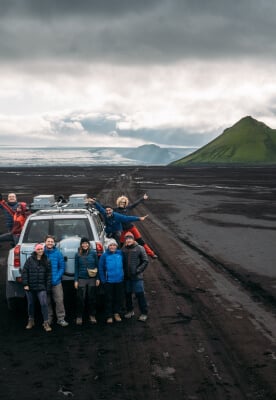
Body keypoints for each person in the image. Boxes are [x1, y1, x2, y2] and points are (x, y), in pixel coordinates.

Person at [114, 194, 157, 259]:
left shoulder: (128, 208)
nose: (123, 203)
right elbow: (104, 208)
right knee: (120, 244)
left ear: (126, 203)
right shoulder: (115, 210)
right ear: (119, 202)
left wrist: (143, 198)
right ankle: (115, 256)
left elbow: (135, 204)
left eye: (124, 202)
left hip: (132, 228)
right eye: (121, 202)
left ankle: (151, 254)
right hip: (123, 230)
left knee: (140, 241)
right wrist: (95, 203)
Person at [21, 243, 52, 332]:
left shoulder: (47, 260)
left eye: (41, 249)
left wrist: (47, 287)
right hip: (30, 287)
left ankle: (46, 322)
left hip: (41, 287)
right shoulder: (30, 260)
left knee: (44, 304)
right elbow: (24, 272)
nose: (40, 251)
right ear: (35, 250)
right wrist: (25, 284)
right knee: (30, 304)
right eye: (38, 249)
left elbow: (49, 275)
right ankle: (31, 320)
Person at [121, 231, 149, 322]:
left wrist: (138, 270)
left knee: (140, 294)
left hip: (137, 277)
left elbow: (145, 261)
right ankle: (130, 311)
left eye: (130, 238)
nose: (128, 240)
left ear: (133, 239)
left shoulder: (139, 248)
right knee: (127, 294)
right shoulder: (123, 249)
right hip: (127, 277)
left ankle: (144, 313)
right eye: (127, 239)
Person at [44, 235, 69, 327]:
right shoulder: (41, 253)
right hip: (44, 282)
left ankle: (61, 319)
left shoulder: (58, 253)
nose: (50, 243)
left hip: (56, 282)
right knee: (47, 302)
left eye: (51, 241)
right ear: (45, 242)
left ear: (54, 243)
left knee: (59, 301)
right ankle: (49, 319)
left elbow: (62, 267)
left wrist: (56, 278)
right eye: (48, 241)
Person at [74, 237, 100, 325]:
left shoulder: (93, 253)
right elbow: (76, 268)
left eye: (86, 243)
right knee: (80, 298)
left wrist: (97, 278)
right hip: (81, 278)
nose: (85, 245)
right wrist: (76, 280)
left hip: (92, 278)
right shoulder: (77, 254)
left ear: (89, 244)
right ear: (81, 244)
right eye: (83, 243)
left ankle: (92, 315)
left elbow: (97, 265)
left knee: (92, 298)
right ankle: (79, 316)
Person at [99, 238, 124, 324]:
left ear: (116, 246)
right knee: (108, 298)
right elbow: (101, 268)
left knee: (118, 298)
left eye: (114, 245)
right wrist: (103, 280)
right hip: (108, 281)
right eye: (110, 245)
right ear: (108, 246)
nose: (112, 247)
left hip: (119, 280)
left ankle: (116, 313)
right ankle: (109, 315)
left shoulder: (120, 254)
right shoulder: (104, 256)